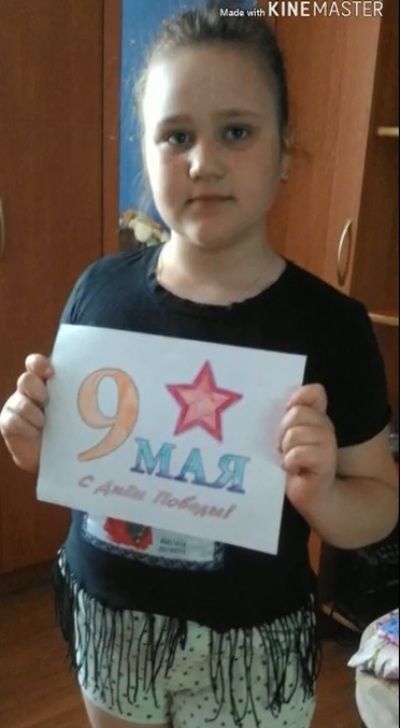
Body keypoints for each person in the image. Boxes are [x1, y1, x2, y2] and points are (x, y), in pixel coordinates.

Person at [0, 4, 397, 728]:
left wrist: (322, 495)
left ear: (284, 149)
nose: (203, 162)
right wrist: (32, 438)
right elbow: (71, 455)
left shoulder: (332, 327)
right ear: (145, 149)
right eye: (176, 135)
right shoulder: (98, 290)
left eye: (236, 132)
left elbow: (378, 508)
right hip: (112, 625)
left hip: (250, 647)